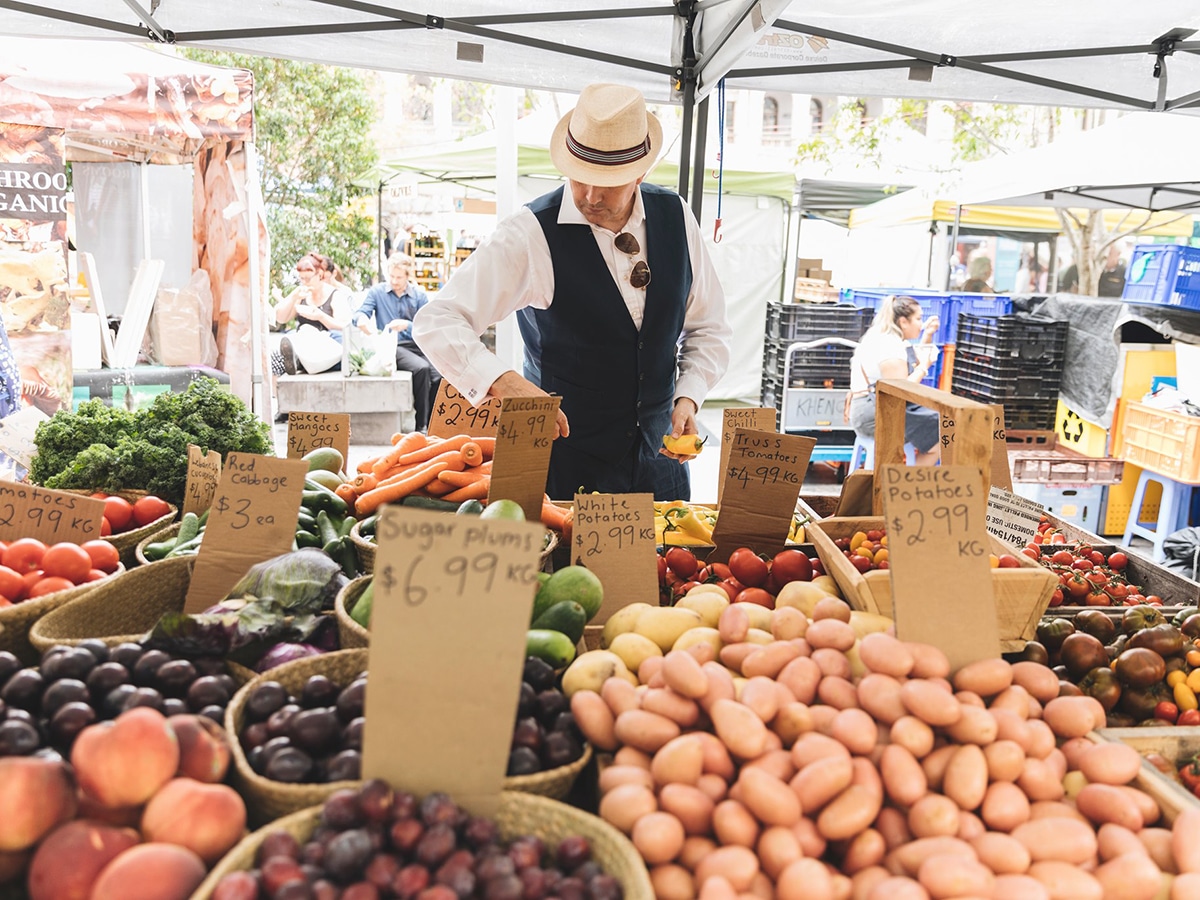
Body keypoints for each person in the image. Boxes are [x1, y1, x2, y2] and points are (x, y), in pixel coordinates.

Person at [413, 82, 732, 500]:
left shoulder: (676, 217)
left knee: (665, 567)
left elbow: (708, 328)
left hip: (660, 469)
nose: (591, 195)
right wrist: (502, 381)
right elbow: (437, 321)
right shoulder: (529, 233)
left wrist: (688, 396)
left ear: (640, 172)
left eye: (609, 182)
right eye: (580, 177)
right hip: (564, 469)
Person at [845, 295, 942, 466]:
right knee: (944, 436)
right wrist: (923, 367)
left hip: (873, 408)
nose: (921, 323)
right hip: (873, 414)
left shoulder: (884, 335)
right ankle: (905, 488)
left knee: (942, 422)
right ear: (904, 322)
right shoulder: (890, 347)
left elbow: (911, 361)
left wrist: (927, 336)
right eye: (918, 319)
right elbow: (900, 391)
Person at [354, 252, 442, 431]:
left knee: (439, 375)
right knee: (421, 369)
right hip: (393, 346)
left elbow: (427, 326)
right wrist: (361, 320)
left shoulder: (419, 296)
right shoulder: (377, 292)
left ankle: (433, 423)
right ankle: (421, 425)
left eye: (399, 277)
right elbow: (360, 313)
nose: (394, 281)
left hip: (418, 345)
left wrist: (407, 325)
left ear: (408, 276)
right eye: (391, 276)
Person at [271, 252, 353, 376]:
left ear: (319, 274)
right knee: (276, 357)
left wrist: (320, 316)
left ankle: (299, 362)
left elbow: (345, 325)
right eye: (301, 278)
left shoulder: (335, 295)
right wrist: (293, 297)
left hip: (327, 344)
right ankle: (275, 394)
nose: (305, 282)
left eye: (308, 279)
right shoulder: (301, 292)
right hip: (304, 341)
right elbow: (281, 318)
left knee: (335, 346)